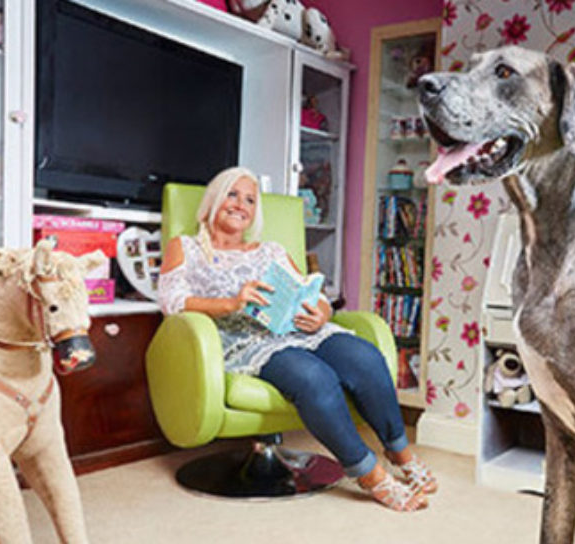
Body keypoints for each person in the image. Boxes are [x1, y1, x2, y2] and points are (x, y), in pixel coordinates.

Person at [157, 167, 437, 511]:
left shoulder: (269, 251)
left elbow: (310, 292)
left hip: (302, 329)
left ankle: (401, 452)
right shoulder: (185, 248)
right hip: (249, 342)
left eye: (250, 200)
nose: (241, 205)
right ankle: (370, 474)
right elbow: (172, 302)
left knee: (366, 357)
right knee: (314, 378)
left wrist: (322, 312)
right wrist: (232, 303)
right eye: (233, 194)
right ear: (215, 199)